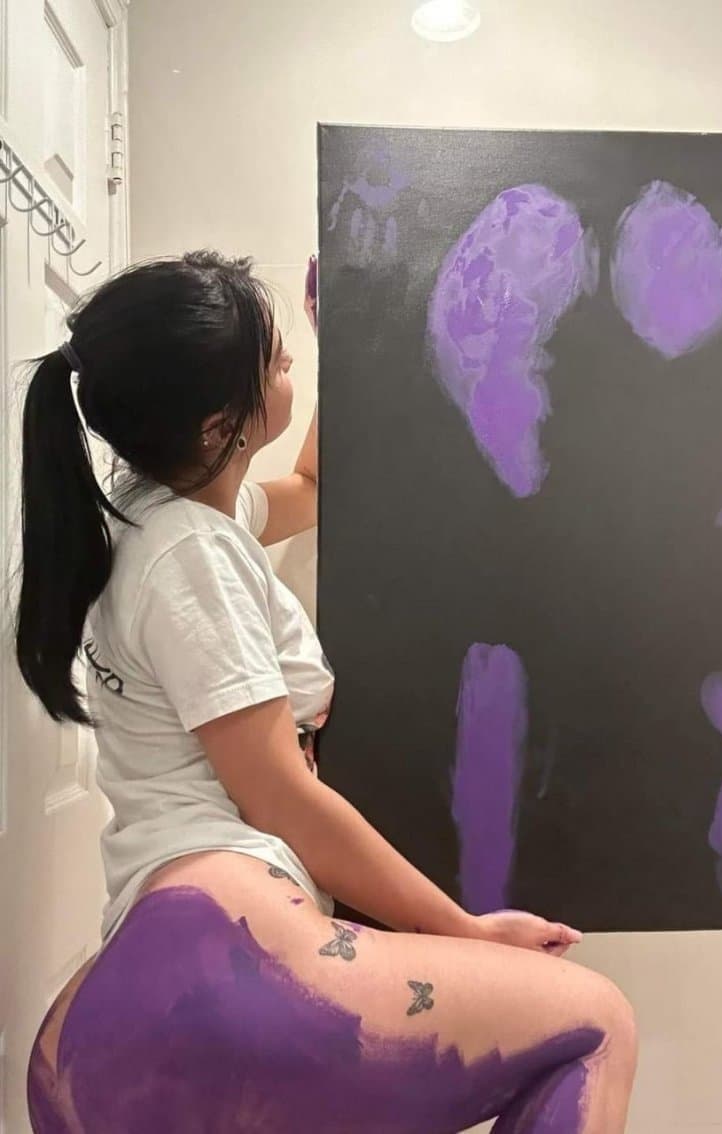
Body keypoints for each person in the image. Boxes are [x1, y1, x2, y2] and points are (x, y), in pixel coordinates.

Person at [17, 250, 637, 1133]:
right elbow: (279, 798)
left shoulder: (156, 516)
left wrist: (342, 336)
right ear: (220, 427)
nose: (291, 368)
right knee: (596, 1021)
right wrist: (460, 928)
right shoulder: (191, 553)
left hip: (118, 998)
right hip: (227, 943)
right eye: (277, 363)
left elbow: (308, 488)